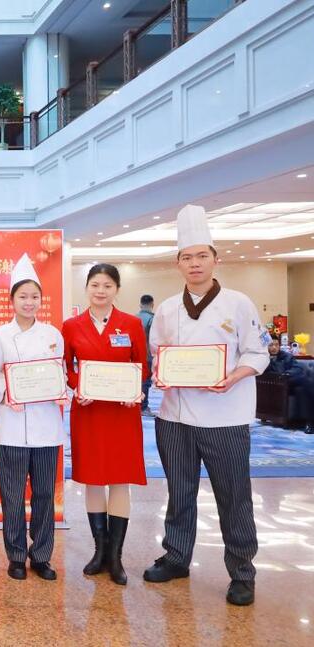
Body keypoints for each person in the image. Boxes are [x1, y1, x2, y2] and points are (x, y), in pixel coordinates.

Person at [144, 204, 269, 607]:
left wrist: (233, 376)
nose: (195, 263)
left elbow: (258, 353)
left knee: (234, 496)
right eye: (187, 257)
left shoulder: (238, 303)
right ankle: (176, 557)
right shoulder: (167, 309)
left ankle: (242, 572)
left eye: (201, 256)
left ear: (216, 259)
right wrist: (160, 374)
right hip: (175, 417)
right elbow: (158, 354)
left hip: (225, 417)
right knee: (179, 492)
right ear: (178, 263)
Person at [62, 262, 147, 586]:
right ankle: (99, 552)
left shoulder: (132, 324)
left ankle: (116, 557)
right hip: (89, 410)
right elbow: (66, 366)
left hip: (122, 411)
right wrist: (77, 386)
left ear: (117, 290)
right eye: (95, 285)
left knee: (120, 480)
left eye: (107, 286)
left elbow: (142, 364)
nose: (101, 291)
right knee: (94, 479)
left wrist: (134, 390)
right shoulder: (72, 325)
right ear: (87, 288)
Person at [0, 254, 66, 581]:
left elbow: (60, 373)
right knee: (13, 495)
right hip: (13, 427)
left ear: (41, 300)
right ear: (12, 300)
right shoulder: (0, 335)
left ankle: (42, 556)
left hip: (47, 427)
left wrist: (62, 390)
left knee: (45, 495)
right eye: (23, 296)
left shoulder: (53, 334)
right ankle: (16, 556)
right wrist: (8, 394)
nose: (29, 302)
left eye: (34, 296)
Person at [266, 333, 314, 433]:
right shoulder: (264, 358)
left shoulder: (286, 355)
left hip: (291, 380)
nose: (274, 347)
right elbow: (269, 373)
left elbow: (297, 367)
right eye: (271, 345)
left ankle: (309, 423)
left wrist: (287, 373)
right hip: (278, 384)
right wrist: (271, 361)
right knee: (307, 383)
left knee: (302, 389)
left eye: (276, 345)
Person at [138, 295, 155, 412]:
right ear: (152, 305)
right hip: (147, 356)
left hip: (132, 357)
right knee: (145, 382)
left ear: (140, 305)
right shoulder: (152, 319)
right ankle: (143, 407)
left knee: (134, 380)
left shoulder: (132, 318)